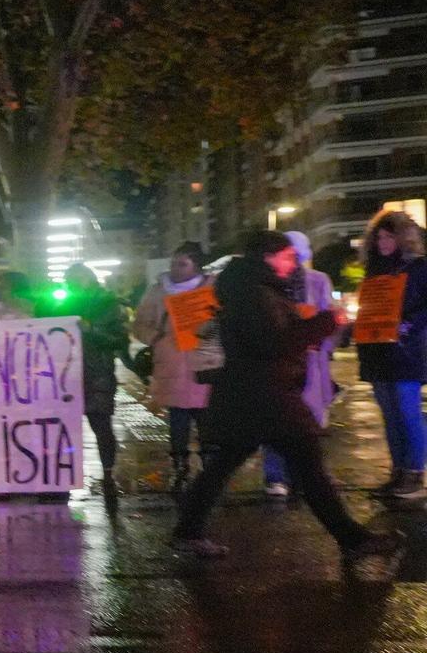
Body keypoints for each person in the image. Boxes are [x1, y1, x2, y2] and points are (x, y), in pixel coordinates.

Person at [172, 229, 399, 565]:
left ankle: (187, 532)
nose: (294, 261)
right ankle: (352, 539)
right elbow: (275, 343)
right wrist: (328, 320)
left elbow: (270, 337)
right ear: (269, 256)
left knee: (222, 467)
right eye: (288, 255)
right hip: (267, 396)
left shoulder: (250, 287)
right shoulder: (255, 292)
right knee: (310, 466)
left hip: (250, 395)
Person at [355, 209, 427, 501]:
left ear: (403, 237)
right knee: (389, 414)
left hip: (405, 350)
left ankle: (414, 474)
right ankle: (398, 471)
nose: (383, 242)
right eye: (379, 237)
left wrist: (408, 324)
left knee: (407, 412)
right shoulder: (374, 270)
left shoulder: (418, 268)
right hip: (376, 350)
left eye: (389, 236)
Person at [261, 232, 339, 499]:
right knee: (277, 418)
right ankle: (276, 476)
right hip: (281, 361)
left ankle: (304, 477)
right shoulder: (269, 284)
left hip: (310, 361)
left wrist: (324, 343)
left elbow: (328, 317)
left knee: (306, 422)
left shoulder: (318, 281)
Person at [132, 243, 214, 495]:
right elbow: (140, 324)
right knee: (177, 421)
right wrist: (157, 338)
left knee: (208, 421)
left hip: (205, 363)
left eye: (182, 264)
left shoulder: (214, 289)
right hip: (172, 363)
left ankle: (210, 469)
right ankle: (180, 466)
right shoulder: (158, 291)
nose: (175, 269)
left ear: (197, 266)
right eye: (173, 264)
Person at [38, 263, 129, 488]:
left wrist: (89, 329)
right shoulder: (60, 303)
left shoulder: (108, 304)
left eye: (77, 278)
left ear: (89, 279)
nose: (73, 283)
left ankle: (108, 470)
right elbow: (41, 326)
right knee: (64, 427)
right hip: (65, 376)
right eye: (69, 279)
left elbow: (118, 339)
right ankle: (65, 470)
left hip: (96, 374)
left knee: (101, 425)